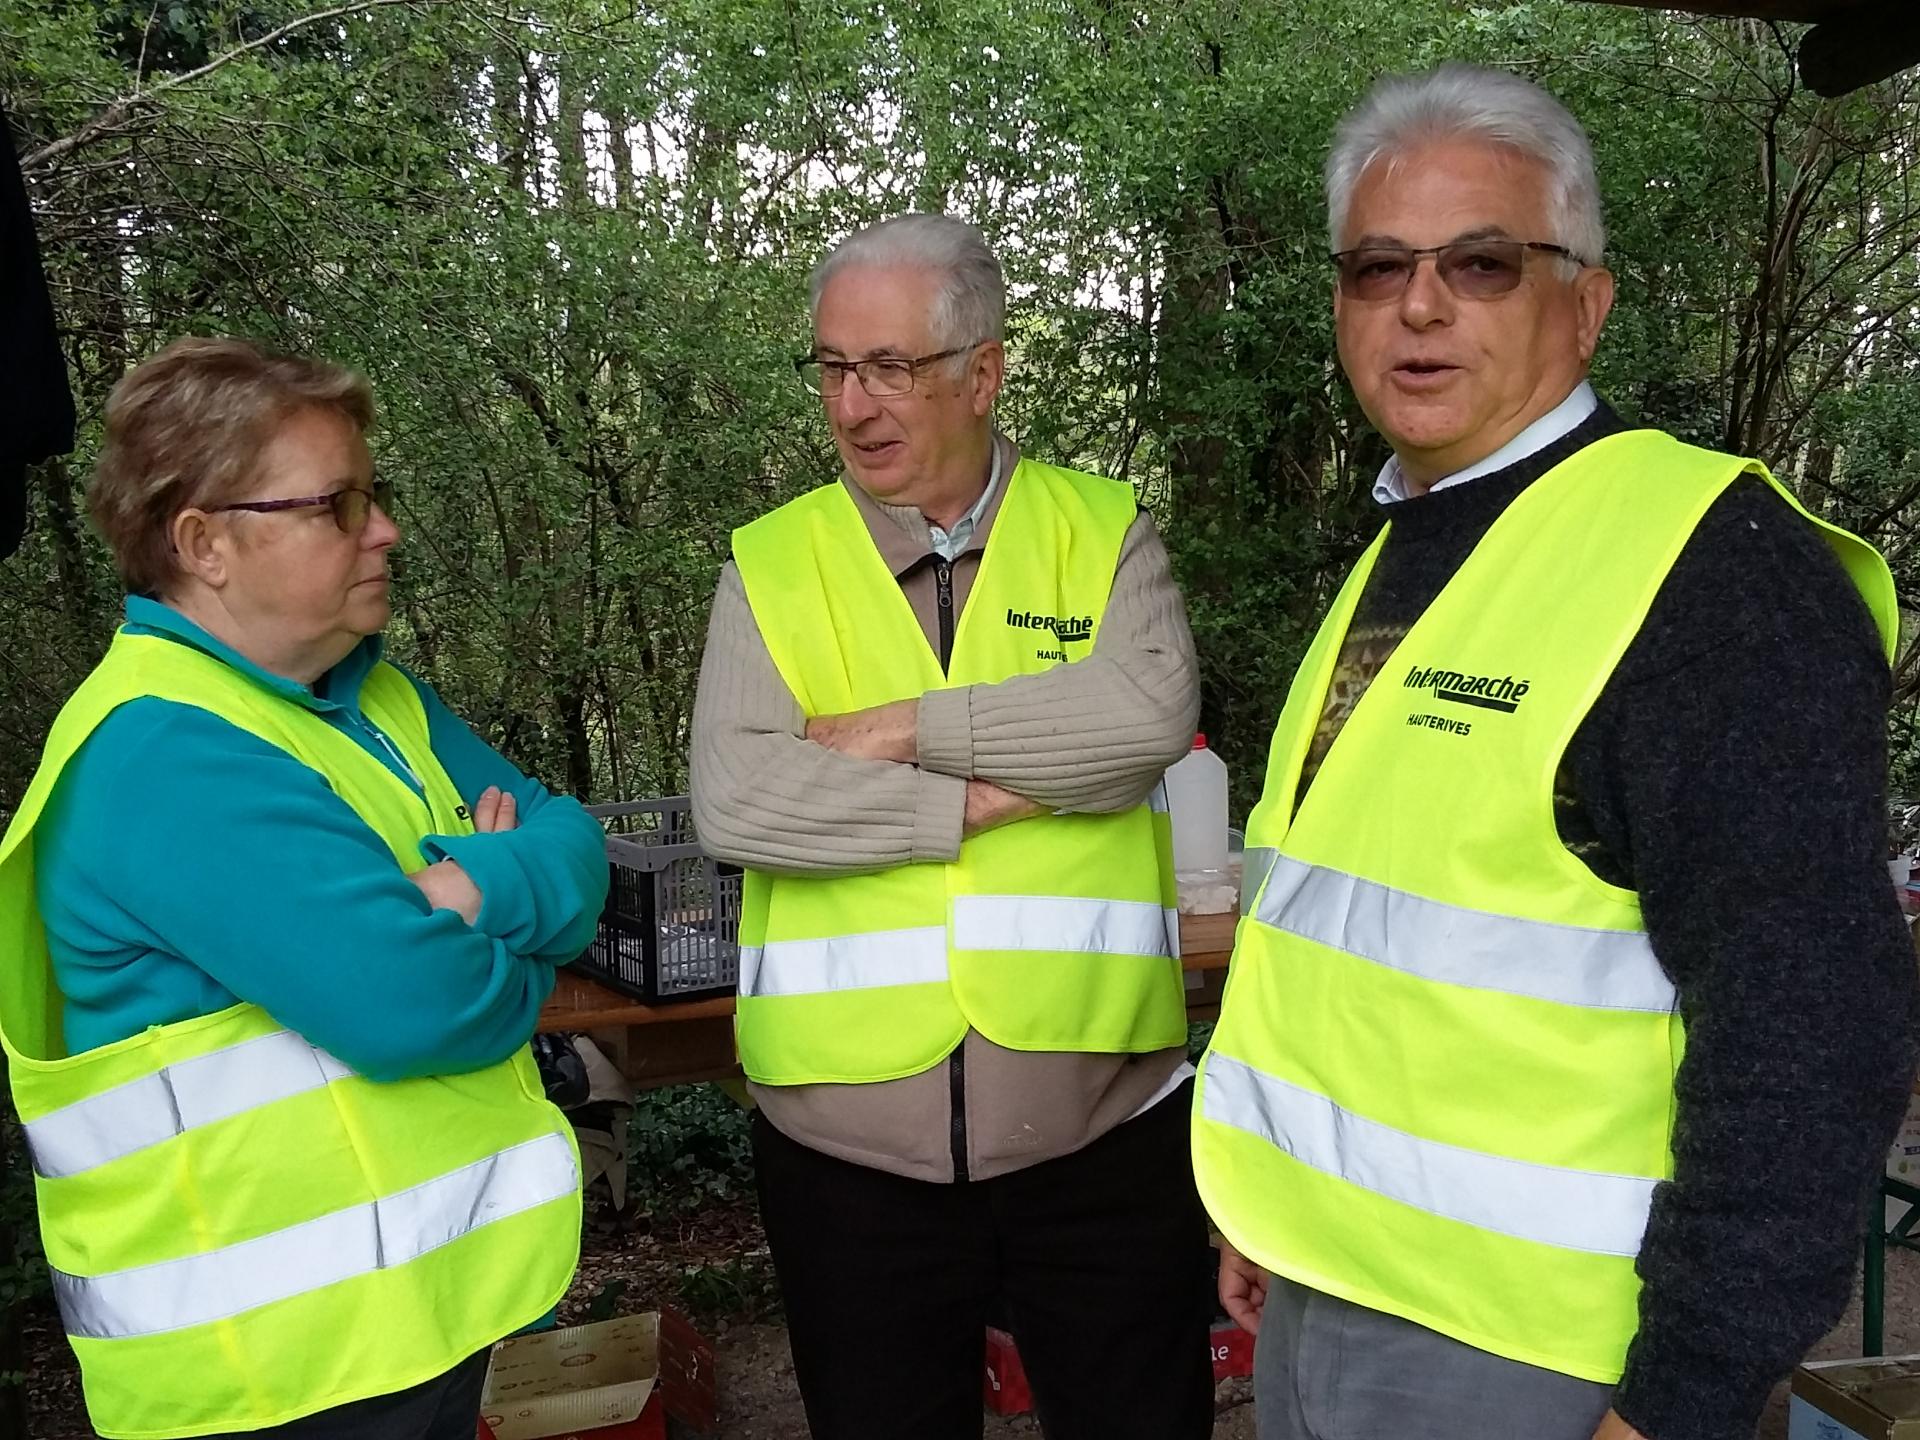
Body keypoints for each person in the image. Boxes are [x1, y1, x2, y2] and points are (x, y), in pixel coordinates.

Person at [1192, 64, 1919, 1440]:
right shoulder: (1416, 540)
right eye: (1376, 267)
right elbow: (1352, 934)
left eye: (1482, 262)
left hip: (1549, 1359)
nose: (1419, 304)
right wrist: (1279, 1193)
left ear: (1585, 302)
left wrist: (1688, 1394)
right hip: (1323, 1291)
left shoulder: (1711, 573)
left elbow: (1811, 1032)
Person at [0, 337, 609, 1439]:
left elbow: (576, 846)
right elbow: (418, 1005)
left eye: (373, 495)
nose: (385, 530)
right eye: (335, 505)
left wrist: (463, 890)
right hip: (269, 1381)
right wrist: (520, 948)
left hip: (400, 1333)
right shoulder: (163, 754)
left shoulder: (374, 701)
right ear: (204, 544)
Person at [691, 213, 1214, 1440]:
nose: (854, 403)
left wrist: (898, 729)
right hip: (845, 1165)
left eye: (891, 367)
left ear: (982, 372)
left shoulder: (1101, 530)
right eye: (832, 367)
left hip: (1104, 1137)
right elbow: (739, 796)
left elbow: (1140, 721)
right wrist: (973, 800)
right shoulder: (769, 564)